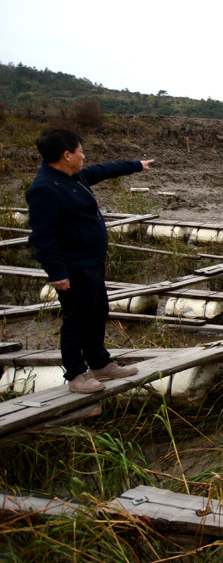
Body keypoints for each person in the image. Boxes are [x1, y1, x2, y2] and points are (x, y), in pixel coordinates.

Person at [26, 128, 154, 394]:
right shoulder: (44, 189)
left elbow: (104, 170)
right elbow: (43, 237)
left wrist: (136, 166)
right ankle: (76, 373)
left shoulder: (75, 177)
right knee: (76, 320)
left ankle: (99, 363)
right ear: (67, 155)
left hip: (91, 261)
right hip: (73, 267)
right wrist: (57, 273)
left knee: (97, 312)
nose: (84, 156)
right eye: (80, 151)